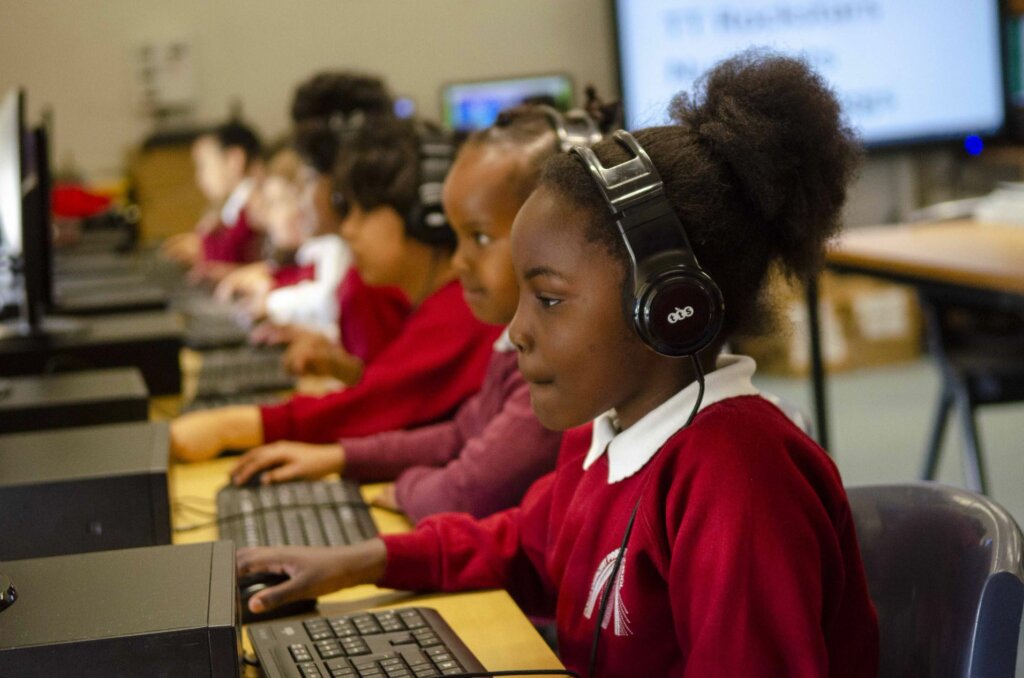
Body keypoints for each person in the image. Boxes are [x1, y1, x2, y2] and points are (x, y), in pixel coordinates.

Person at [234, 52, 879, 676]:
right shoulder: (604, 433)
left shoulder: (738, 478)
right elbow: (522, 544)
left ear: (667, 304)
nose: (516, 332)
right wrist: (361, 561)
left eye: (547, 300)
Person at [230, 106, 578, 522]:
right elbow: (459, 434)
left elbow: (466, 489)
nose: (459, 260)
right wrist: (339, 458)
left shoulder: (534, 354)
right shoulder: (511, 339)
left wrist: (407, 487)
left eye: (479, 237)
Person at [170, 118, 503, 463]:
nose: (349, 229)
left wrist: (229, 426)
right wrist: (347, 370)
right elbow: (406, 394)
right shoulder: (438, 302)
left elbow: (374, 409)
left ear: (426, 218)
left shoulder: (459, 312)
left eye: (365, 212)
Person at [162, 121, 265, 282]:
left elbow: (236, 254)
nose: (199, 177)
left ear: (234, 160)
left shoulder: (253, 202)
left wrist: (202, 247)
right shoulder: (234, 204)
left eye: (203, 165)